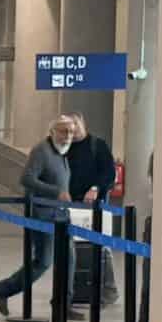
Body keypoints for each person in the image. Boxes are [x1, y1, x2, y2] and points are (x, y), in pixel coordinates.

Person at [0, 115, 80, 319]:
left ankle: (62, 305)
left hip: (61, 215)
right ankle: (2, 290)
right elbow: (26, 178)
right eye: (63, 131)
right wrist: (55, 192)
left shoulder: (62, 153)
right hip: (42, 216)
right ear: (52, 132)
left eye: (70, 132)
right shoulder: (41, 151)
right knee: (43, 261)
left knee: (69, 259)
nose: (68, 136)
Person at [64, 112, 120, 306]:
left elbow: (109, 174)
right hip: (69, 204)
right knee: (70, 247)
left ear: (83, 123)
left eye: (75, 125)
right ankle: (72, 290)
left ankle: (109, 289)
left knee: (101, 246)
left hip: (94, 206)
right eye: (68, 127)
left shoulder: (98, 145)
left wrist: (95, 188)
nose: (73, 130)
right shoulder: (64, 147)